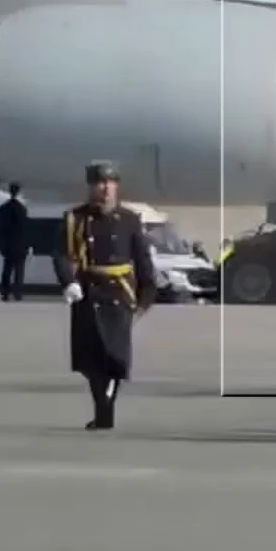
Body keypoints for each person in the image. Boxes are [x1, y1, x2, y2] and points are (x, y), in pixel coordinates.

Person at [53, 162, 155, 430]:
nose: (105, 189)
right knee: (91, 359)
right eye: (99, 183)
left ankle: (105, 410)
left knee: (115, 357)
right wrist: (69, 282)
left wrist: (146, 295)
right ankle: (103, 408)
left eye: (110, 183)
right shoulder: (75, 218)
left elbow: (142, 259)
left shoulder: (130, 219)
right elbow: (63, 255)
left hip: (119, 294)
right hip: (88, 292)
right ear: (91, 187)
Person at [0, 182, 30, 302]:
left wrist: (2, 244)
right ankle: (18, 293)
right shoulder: (22, 209)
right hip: (20, 245)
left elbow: (1, 228)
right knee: (19, 271)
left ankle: (5, 292)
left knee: (7, 270)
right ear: (19, 192)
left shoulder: (3, 208)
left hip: (8, 246)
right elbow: (26, 229)